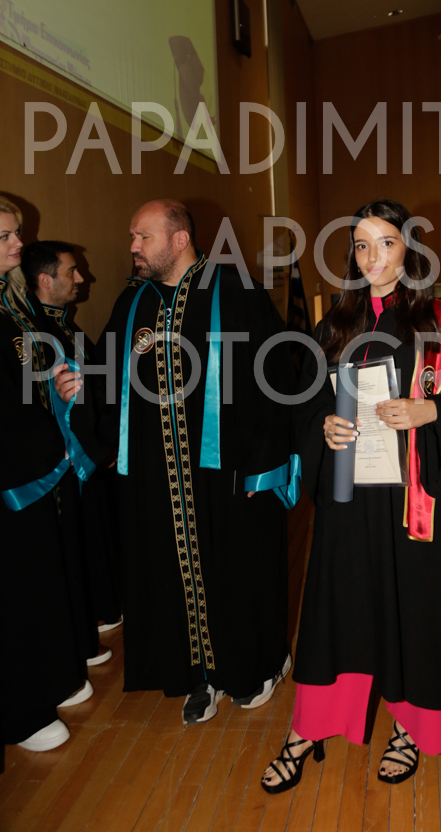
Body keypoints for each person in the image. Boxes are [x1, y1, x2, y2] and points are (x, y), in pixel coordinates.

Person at [261, 198, 441, 794]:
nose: (373, 257)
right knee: (338, 608)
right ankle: (309, 727)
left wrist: (431, 411)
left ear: (409, 250)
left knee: (418, 609)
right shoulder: (335, 325)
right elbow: (308, 403)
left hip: (418, 500)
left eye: (386, 243)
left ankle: (411, 727)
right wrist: (323, 426)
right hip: (351, 499)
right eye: (362, 246)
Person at [55, 200, 298, 726]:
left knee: (238, 571)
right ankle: (200, 674)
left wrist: (266, 465)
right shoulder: (132, 303)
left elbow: (278, 380)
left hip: (229, 474)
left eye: (143, 236)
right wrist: (79, 391)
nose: (133, 247)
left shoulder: (237, 293)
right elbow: (108, 380)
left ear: (180, 239)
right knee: (175, 576)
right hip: (159, 479)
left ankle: (260, 664)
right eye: (133, 237)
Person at [0, 199, 97, 753]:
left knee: (40, 573)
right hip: (15, 470)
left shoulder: (14, 304)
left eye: (16, 234)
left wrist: (59, 390)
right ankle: (22, 710)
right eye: (7, 237)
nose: (20, 244)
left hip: (36, 462)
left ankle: (50, 678)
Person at [22, 240, 122, 633]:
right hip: (70, 461)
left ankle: (102, 608)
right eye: (71, 271)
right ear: (45, 280)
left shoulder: (64, 325)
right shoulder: (38, 333)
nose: (82, 278)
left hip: (93, 453)